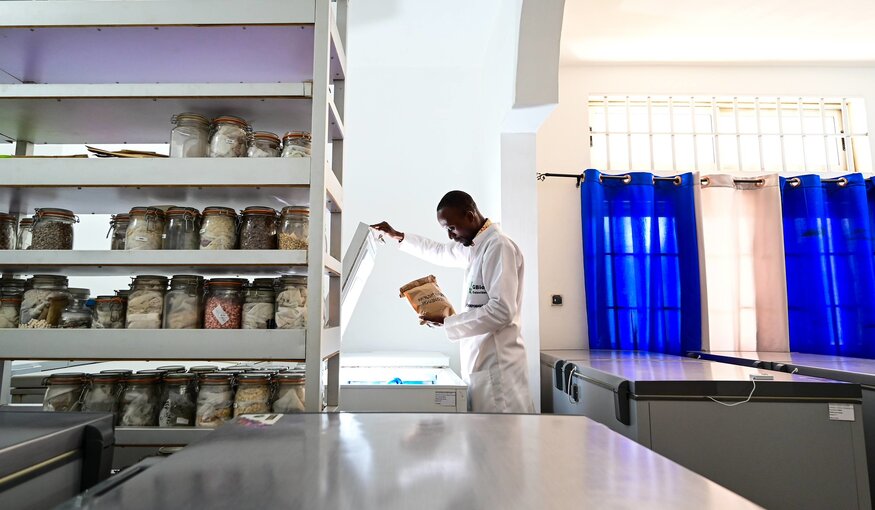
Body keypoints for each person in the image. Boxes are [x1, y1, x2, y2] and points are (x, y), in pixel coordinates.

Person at [372, 191, 534, 413]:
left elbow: (502, 311)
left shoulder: (498, 247)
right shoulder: (475, 246)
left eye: (451, 227)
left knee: (502, 440)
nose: (450, 235)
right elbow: (440, 252)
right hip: (483, 364)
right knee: (487, 441)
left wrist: (448, 322)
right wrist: (399, 236)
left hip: (498, 368)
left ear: (469, 216)